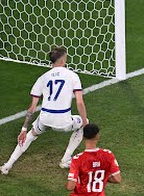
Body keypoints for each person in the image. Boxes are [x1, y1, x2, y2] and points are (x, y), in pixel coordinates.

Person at [1, 46, 88, 175]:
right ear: (63, 61)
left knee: (30, 135)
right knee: (83, 122)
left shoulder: (42, 78)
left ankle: (7, 166)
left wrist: (24, 129)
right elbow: (79, 102)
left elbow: (32, 108)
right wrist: (85, 123)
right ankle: (65, 160)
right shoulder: (73, 76)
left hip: (45, 118)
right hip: (63, 121)